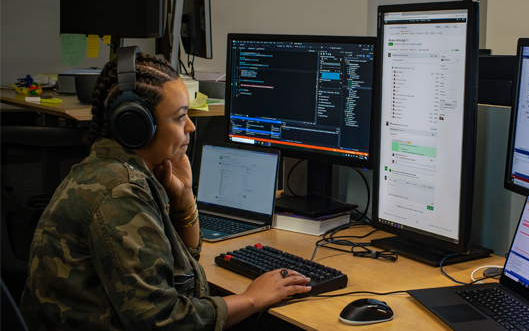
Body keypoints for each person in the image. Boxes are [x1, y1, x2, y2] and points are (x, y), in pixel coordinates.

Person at [20, 49, 311, 330]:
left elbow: (179, 275)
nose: (191, 127)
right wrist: (251, 298)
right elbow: (166, 321)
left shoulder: (107, 170)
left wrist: (184, 201)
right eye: (179, 116)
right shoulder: (120, 193)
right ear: (136, 126)